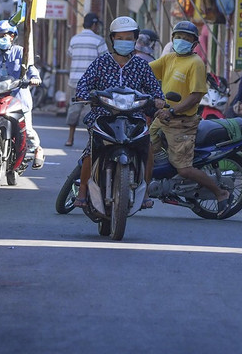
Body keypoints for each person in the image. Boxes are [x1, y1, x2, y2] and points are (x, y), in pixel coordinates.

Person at [73, 16, 165, 210]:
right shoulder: (100, 63)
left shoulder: (141, 66)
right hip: (103, 116)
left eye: (128, 38)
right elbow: (83, 85)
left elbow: (155, 90)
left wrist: (158, 101)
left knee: (147, 150)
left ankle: (145, 189)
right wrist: (84, 95)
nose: (124, 41)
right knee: (92, 150)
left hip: (134, 118)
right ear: (112, 39)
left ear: (135, 40)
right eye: (120, 38)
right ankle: (82, 189)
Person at [148, 21, 231, 212]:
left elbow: (196, 96)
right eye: (179, 37)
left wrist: (173, 111)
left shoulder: (196, 63)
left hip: (181, 122)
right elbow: (145, 70)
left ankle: (220, 192)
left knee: (183, 168)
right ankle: (147, 191)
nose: (182, 41)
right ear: (172, 39)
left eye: (187, 38)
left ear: (194, 43)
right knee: (145, 150)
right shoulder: (169, 59)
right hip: (162, 117)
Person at [0, 19, 44, 169]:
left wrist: (34, 78)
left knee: (28, 130)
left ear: (12, 36)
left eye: (3, 36)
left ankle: (37, 149)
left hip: (18, 96)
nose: (0, 39)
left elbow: (30, 67)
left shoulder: (21, 51)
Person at [65, 12, 108, 147]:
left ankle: (70, 139)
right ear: (94, 25)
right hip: (92, 82)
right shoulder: (99, 40)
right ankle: (90, 140)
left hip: (74, 80)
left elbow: (70, 54)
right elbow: (105, 59)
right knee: (91, 111)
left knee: (74, 109)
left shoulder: (74, 39)